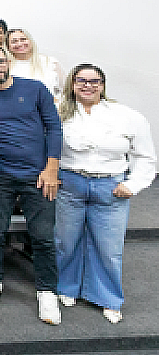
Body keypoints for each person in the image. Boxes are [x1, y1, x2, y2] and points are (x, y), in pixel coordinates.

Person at [55, 64, 156, 324]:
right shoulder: (59, 112)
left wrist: (133, 184)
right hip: (70, 184)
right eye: (81, 81)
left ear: (103, 84)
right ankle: (66, 287)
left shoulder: (127, 116)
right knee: (66, 242)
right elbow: (46, 148)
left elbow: (145, 157)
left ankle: (108, 298)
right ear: (72, 83)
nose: (88, 86)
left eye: (94, 81)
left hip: (110, 188)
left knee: (108, 248)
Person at [0, 46, 63, 325]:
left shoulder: (35, 89)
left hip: (38, 175)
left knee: (43, 236)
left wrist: (51, 168)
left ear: (8, 61)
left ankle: (47, 291)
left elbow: (54, 128)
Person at [6, 29, 64, 101]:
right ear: (8, 46)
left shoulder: (50, 62)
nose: (20, 44)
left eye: (23, 39)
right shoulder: (6, 66)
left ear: (30, 41)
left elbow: (65, 90)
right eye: (14, 41)